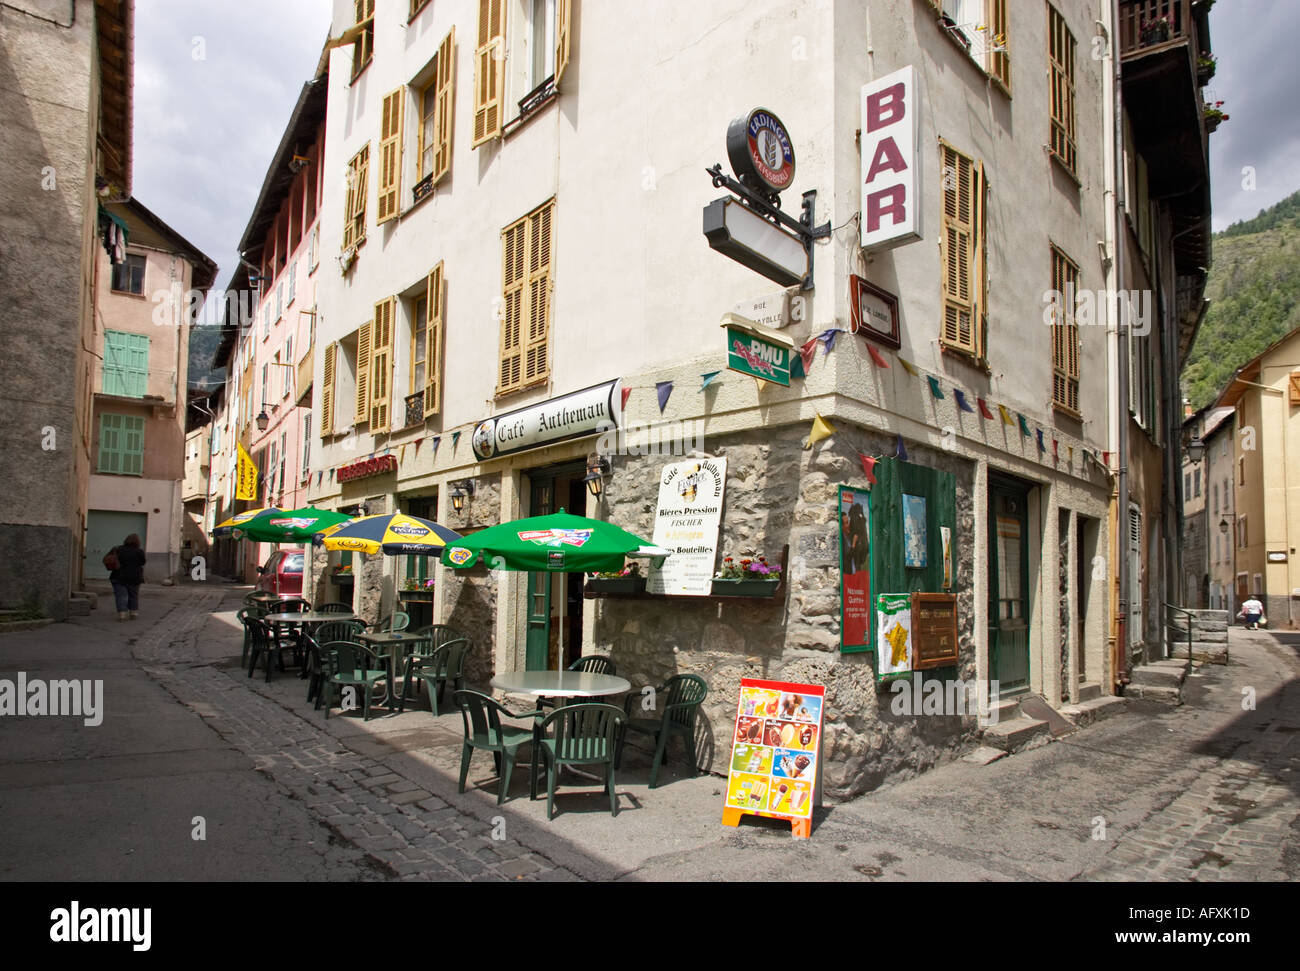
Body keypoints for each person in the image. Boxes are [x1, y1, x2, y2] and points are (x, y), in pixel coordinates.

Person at [108, 534, 147, 621]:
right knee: (133, 595)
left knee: (121, 595)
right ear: (137, 542)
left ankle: (122, 615)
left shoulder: (118, 549)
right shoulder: (139, 551)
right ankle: (133, 613)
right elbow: (143, 562)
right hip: (135, 577)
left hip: (118, 576)